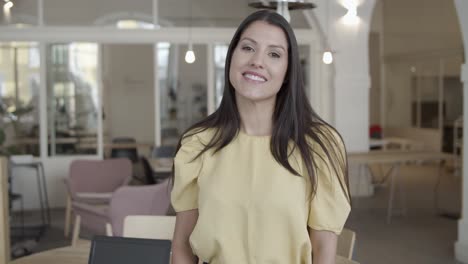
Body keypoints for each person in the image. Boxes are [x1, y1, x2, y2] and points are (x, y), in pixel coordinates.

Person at [171, 10, 351, 264]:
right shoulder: (197, 143)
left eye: (274, 54)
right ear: (231, 57)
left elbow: (323, 251)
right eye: (247, 48)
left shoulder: (319, 145)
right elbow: (182, 249)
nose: (257, 61)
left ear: (288, 72)